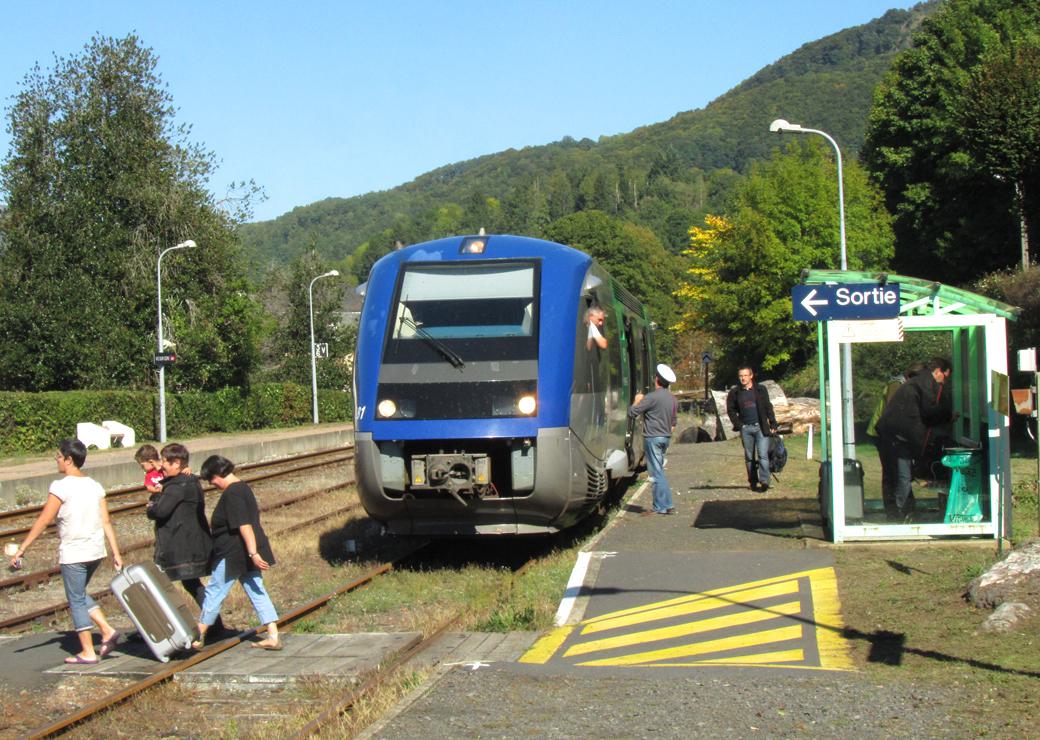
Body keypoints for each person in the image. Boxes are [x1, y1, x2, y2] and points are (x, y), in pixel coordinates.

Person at [9, 439, 123, 664]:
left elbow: (44, 520)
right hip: (96, 551)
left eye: (58, 457)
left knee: (76, 599)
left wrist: (22, 548)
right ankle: (107, 630)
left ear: (69, 460)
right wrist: (116, 553)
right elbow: (107, 522)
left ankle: (88, 651)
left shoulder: (60, 487)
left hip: (75, 553)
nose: (56, 460)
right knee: (78, 593)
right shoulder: (95, 485)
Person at [193, 455, 281, 650]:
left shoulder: (232, 493)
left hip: (233, 554)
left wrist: (253, 553)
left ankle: (198, 635)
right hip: (242, 553)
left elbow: (244, 525)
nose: (212, 484)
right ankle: (273, 636)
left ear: (218, 474)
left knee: (215, 591)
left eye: (211, 479)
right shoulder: (243, 487)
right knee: (257, 590)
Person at [146, 443, 224, 636]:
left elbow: (159, 511)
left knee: (158, 586)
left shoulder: (177, 486)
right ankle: (214, 624)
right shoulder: (188, 481)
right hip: (190, 544)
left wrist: (151, 504)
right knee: (192, 584)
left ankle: (159, 628)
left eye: (164, 461)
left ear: (177, 463)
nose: (161, 465)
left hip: (179, 545)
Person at [875, 357, 956, 520]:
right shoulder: (925, 384)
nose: (943, 382)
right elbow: (929, 411)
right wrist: (947, 416)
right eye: (945, 377)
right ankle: (900, 512)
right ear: (939, 371)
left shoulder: (918, 382)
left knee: (900, 474)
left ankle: (901, 510)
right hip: (900, 437)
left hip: (898, 435)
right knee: (902, 475)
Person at [629, 364, 679, 515]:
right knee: (659, 471)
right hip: (665, 438)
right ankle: (666, 504)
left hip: (653, 438)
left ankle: (662, 506)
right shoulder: (673, 399)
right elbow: (674, 423)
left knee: (656, 473)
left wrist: (637, 400)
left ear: (656, 379)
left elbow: (632, 413)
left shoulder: (651, 397)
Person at [726, 365, 778, 492]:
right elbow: (730, 410)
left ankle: (764, 480)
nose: (743, 378)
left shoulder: (760, 390)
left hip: (760, 427)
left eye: (745, 375)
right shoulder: (735, 392)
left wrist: (773, 423)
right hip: (746, 429)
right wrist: (739, 425)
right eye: (741, 376)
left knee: (763, 455)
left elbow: (768, 407)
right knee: (749, 457)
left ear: (751, 376)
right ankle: (753, 481)